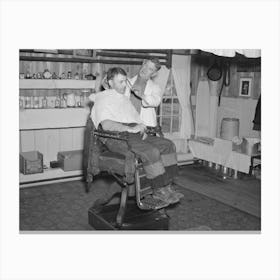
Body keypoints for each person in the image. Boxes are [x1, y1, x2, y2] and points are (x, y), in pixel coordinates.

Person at [89, 67, 183, 206]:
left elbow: (134, 118)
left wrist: (142, 127)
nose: (123, 85)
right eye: (120, 82)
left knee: (168, 145)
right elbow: (107, 125)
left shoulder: (123, 99)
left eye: (124, 82)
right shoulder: (103, 99)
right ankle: (159, 190)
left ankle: (167, 185)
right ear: (110, 82)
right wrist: (130, 129)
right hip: (116, 138)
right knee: (151, 151)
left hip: (133, 134)